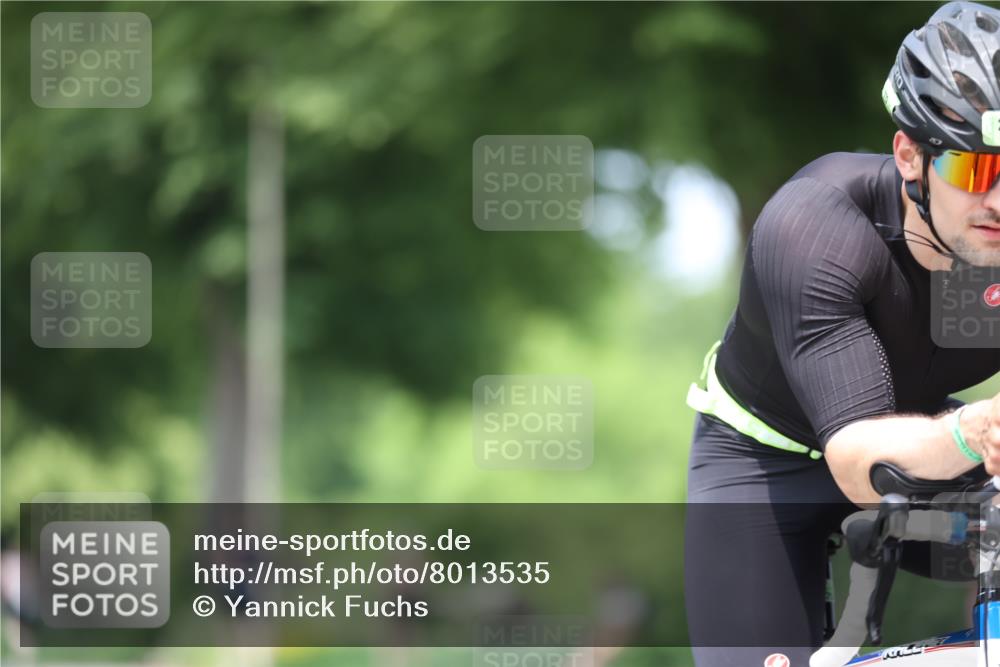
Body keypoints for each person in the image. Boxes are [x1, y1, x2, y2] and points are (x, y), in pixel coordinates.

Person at [684, 3, 1000, 665]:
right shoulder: (818, 228)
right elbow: (861, 469)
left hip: (922, 436)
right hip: (762, 462)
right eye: (976, 169)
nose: (997, 201)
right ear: (910, 155)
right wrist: (974, 430)